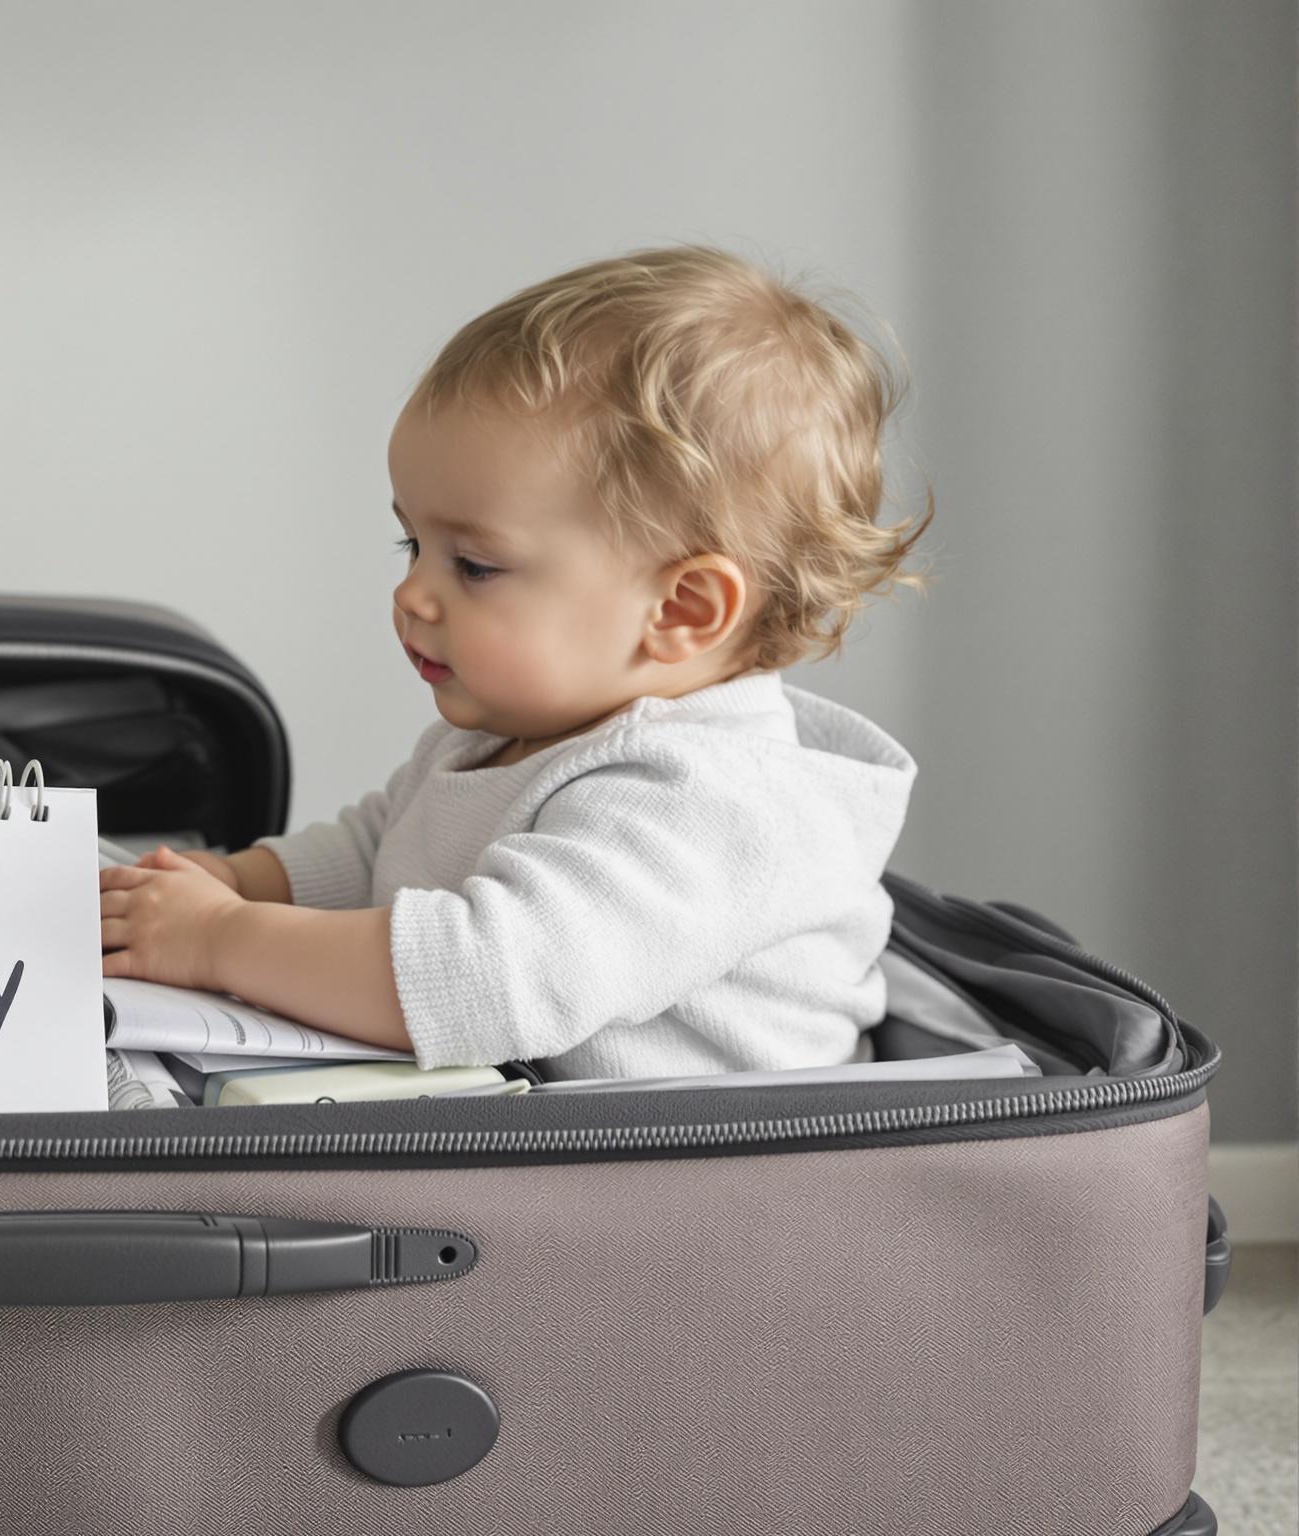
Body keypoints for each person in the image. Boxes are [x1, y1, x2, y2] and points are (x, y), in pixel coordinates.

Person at [99, 248, 925, 1077]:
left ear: (680, 610)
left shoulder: (713, 805)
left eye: (475, 566)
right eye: (412, 542)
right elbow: (379, 850)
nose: (413, 594)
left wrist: (217, 938)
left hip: (713, 1194)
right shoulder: (515, 733)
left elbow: (484, 980)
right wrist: (237, 879)